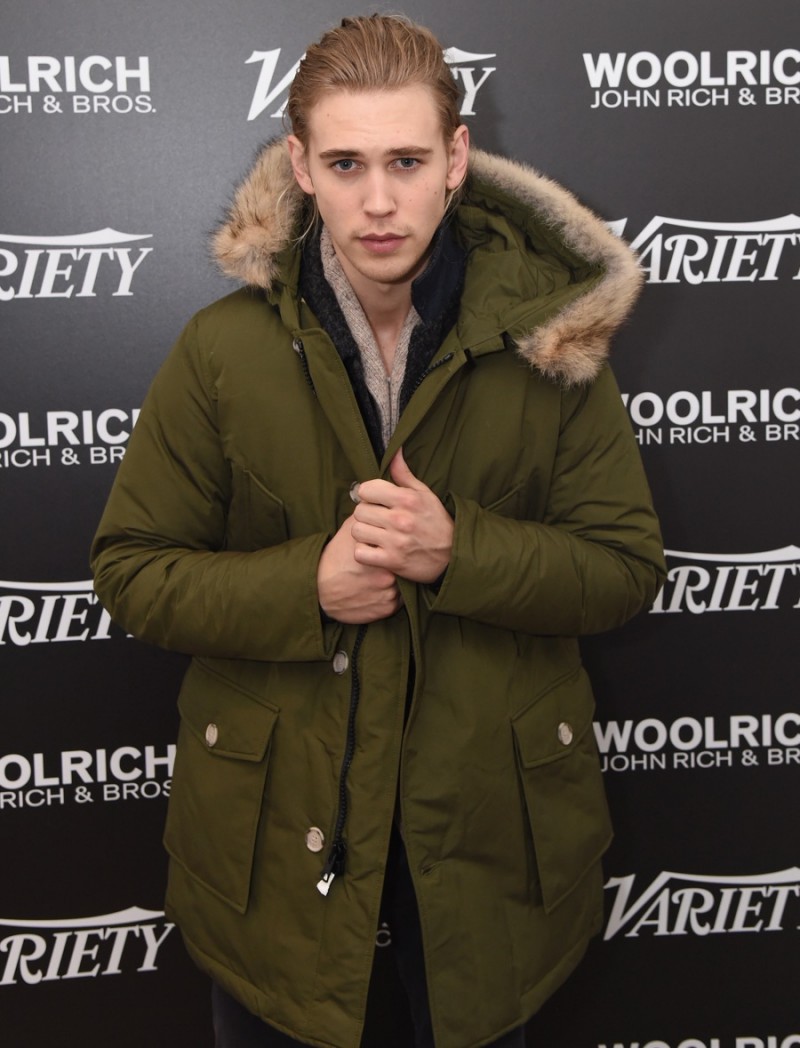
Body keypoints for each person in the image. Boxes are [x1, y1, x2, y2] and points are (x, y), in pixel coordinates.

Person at [91, 14, 665, 1048]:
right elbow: (132, 571)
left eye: (405, 159)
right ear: (299, 167)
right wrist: (304, 585)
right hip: (277, 870)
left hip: (490, 865)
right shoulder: (221, 351)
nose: (379, 200)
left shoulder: (552, 342)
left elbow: (622, 567)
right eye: (346, 163)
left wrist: (458, 552)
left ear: (455, 159)